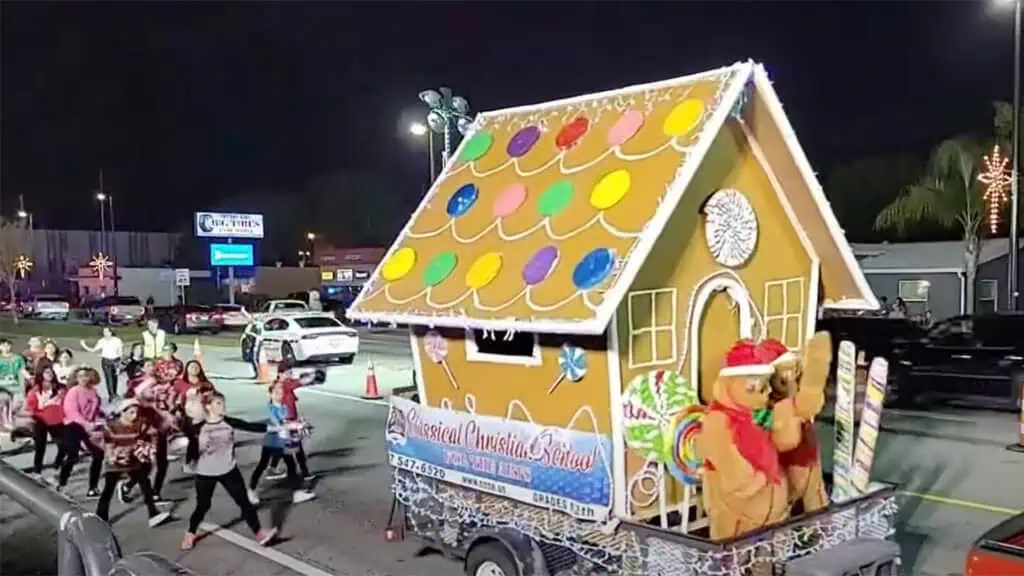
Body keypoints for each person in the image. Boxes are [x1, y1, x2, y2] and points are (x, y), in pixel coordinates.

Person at [181, 391, 277, 550]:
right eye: (218, 403)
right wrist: (189, 461)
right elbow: (191, 446)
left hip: (228, 469)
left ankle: (259, 533)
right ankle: (190, 533)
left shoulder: (228, 422)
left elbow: (251, 426)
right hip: (206, 473)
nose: (223, 406)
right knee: (203, 506)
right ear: (208, 406)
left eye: (223, 403)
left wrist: (278, 428)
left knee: (244, 503)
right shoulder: (198, 428)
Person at [95, 398, 171, 527]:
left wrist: (149, 448)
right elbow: (107, 444)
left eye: (136, 412)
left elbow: (153, 435)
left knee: (145, 484)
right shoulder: (112, 426)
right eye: (131, 412)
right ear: (123, 412)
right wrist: (114, 456)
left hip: (134, 460)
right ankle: (100, 518)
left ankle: (153, 514)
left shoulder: (142, 423)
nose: (134, 416)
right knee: (108, 489)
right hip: (115, 461)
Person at [248, 381, 316, 505]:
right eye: (276, 393)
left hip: (284, 441)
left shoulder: (284, 407)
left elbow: (286, 422)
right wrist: (295, 425)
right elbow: (279, 424)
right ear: (270, 393)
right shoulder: (271, 408)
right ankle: (251, 490)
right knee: (262, 464)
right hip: (272, 441)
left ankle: (296, 492)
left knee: (291, 464)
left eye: (281, 393)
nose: (279, 395)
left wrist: (299, 425)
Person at [120, 358, 173, 503]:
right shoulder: (135, 383)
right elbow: (128, 403)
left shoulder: (161, 382)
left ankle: (156, 492)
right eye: (148, 365)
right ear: (142, 368)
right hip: (145, 427)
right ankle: (127, 485)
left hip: (161, 425)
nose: (152, 368)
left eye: (153, 365)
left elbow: (167, 400)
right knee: (146, 463)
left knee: (162, 461)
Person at [263, 361, 321, 482]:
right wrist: (314, 374)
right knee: (297, 449)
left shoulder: (281, 385)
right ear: (280, 373)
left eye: (291, 372)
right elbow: (300, 382)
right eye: (288, 373)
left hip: (289, 420)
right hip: (288, 422)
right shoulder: (283, 386)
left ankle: (273, 468)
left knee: (284, 447)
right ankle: (303, 474)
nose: (290, 375)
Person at [58, 368, 105, 497]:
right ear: (76, 378)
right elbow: (72, 412)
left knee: (98, 454)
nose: (83, 378)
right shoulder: (73, 391)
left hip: (88, 426)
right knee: (73, 455)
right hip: (73, 425)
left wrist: (101, 419)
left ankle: (93, 488)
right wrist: (87, 424)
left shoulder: (93, 392)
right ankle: (62, 483)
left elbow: (95, 411)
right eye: (80, 376)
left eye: (86, 376)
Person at [25, 364, 67, 477]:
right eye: (46, 372)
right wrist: (41, 404)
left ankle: (57, 465)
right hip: (40, 421)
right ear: (41, 375)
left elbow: (68, 403)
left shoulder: (61, 388)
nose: (49, 374)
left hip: (57, 421)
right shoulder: (36, 389)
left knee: (63, 445)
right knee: (40, 447)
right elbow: (29, 407)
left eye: (51, 372)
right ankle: (37, 471)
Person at [81, 327, 124, 399]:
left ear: (111, 332)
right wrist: (84, 345)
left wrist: (120, 363)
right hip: (106, 361)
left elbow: (120, 353)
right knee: (109, 378)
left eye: (107, 331)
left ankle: (115, 393)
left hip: (116, 360)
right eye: (104, 332)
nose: (105, 333)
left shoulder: (117, 340)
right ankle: (112, 395)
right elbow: (93, 350)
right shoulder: (102, 341)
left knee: (115, 378)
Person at [0, 338, 28, 437]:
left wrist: (29, 377)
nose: (6, 347)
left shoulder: (17, 358)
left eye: (8, 345)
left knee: (16, 405)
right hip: (2, 386)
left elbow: (22, 370)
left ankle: (11, 423)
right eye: (3, 345)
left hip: (14, 386)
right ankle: (5, 424)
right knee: (4, 404)